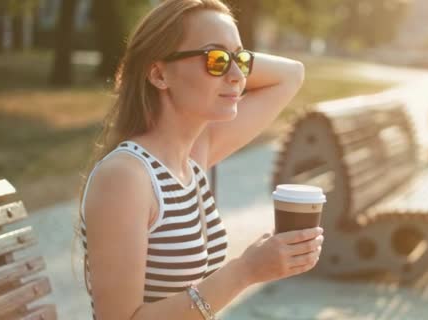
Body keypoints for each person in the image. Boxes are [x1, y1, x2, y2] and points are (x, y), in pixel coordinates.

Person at [77, 0, 325, 319]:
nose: (238, 76)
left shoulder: (190, 157)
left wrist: (224, 49)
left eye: (241, 60)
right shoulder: (126, 177)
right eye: (217, 60)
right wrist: (246, 271)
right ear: (158, 73)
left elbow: (292, 74)